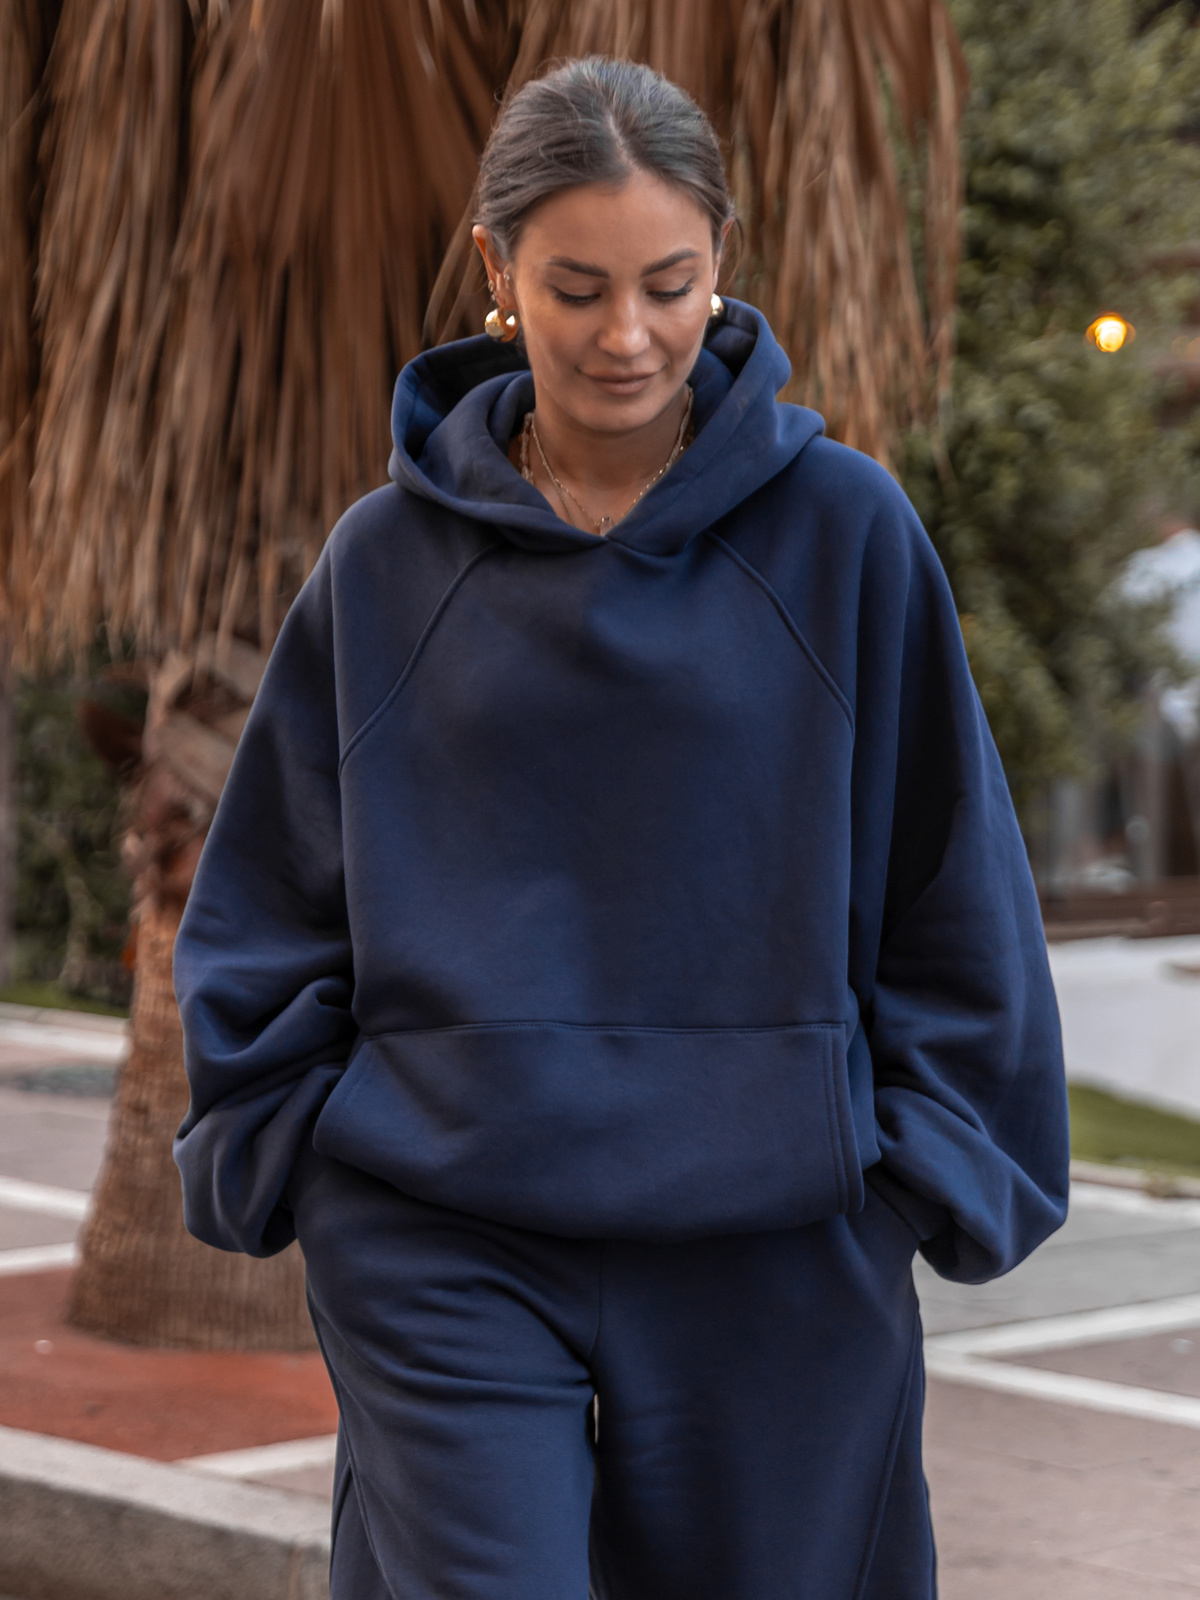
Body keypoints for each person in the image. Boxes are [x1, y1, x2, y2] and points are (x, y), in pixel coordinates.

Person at [173, 55, 1069, 1600]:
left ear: (722, 257)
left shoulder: (845, 532)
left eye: (670, 283)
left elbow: (953, 878)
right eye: (577, 288)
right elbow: (272, 883)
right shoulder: (387, 563)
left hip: (773, 1249)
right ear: (497, 268)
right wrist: (304, 1156)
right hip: (444, 1228)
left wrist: (911, 1179)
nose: (629, 335)